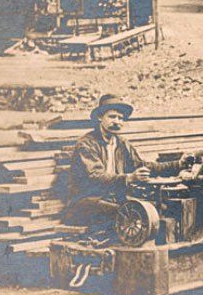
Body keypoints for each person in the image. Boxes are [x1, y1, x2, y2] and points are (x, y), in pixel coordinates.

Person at [63, 94, 183, 227]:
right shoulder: (86, 144)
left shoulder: (122, 143)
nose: (117, 122)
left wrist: (178, 164)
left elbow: (143, 165)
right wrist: (129, 177)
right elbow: (95, 176)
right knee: (131, 214)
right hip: (85, 202)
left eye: (121, 118)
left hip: (112, 199)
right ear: (100, 117)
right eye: (112, 116)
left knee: (158, 207)